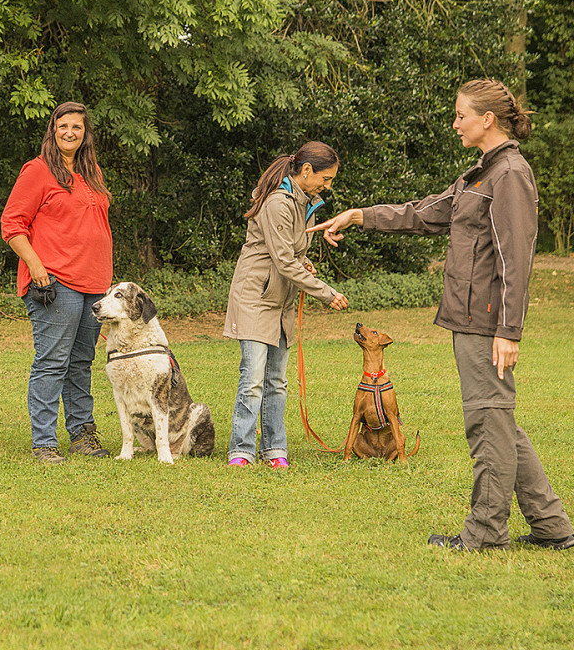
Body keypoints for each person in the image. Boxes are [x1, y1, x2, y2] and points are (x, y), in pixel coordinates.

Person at [310, 78, 574, 551]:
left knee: (487, 422)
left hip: (486, 322)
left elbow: (517, 257)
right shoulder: (480, 174)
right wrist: (359, 216)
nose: (455, 124)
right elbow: (426, 212)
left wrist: (508, 330)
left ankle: (487, 534)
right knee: (499, 421)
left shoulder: (509, 175)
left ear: (486, 119)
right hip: (468, 318)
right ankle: (552, 526)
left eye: (460, 115)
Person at [224, 141, 349, 468]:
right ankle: (241, 450)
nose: (328, 185)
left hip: (281, 301)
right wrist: (326, 292)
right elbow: (282, 261)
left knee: (276, 380)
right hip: (256, 297)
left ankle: (274, 449)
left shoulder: (303, 202)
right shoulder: (279, 203)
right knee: (252, 379)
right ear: (306, 171)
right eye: (326, 178)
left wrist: (304, 263)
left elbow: (292, 255)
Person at [1, 102, 113, 464]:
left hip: (94, 282)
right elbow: (12, 224)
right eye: (63, 126)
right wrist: (36, 266)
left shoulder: (89, 170)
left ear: (85, 133)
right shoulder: (38, 170)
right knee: (52, 362)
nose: (70, 132)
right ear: (53, 130)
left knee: (81, 361)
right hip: (56, 281)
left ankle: (82, 435)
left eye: (76, 127)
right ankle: (44, 442)